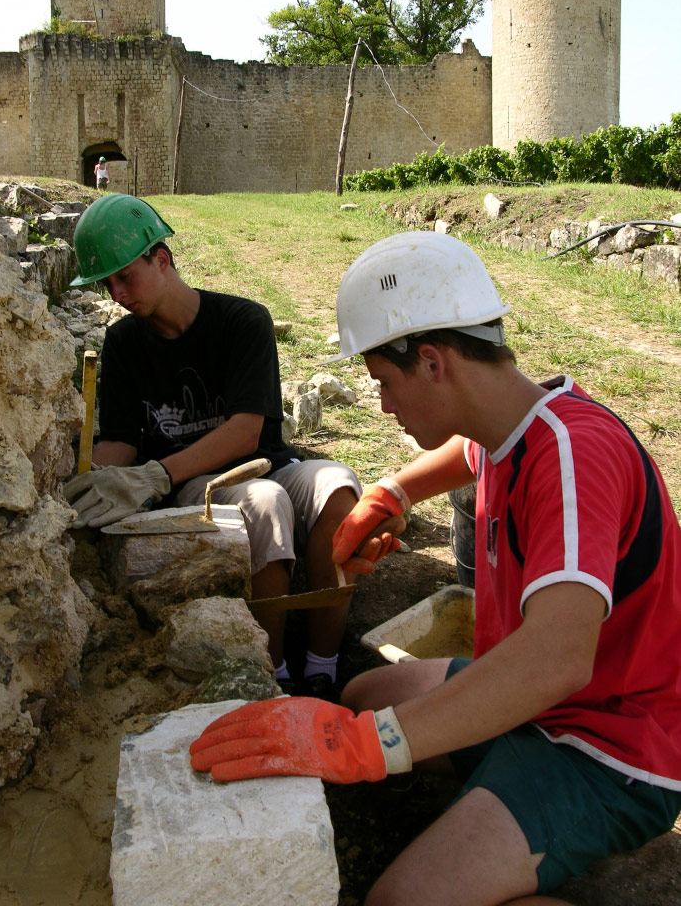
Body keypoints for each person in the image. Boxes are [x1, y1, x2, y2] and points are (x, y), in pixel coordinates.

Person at [190, 232, 681, 906]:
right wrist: (391, 494)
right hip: (538, 707)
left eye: (384, 384)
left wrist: (365, 748)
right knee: (361, 698)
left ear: (431, 362)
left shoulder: (572, 454)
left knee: (398, 900)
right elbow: (465, 457)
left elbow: (558, 659)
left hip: (605, 744)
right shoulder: (511, 428)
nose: (384, 404)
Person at [62, 194, 401, 700]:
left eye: (124, 276)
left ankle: (324, 667)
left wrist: (152, 474)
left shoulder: (243, 322)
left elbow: (246, 431)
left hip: (263, 460)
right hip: (193, 480)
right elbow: (119, 440)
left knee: (336, 486)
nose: (116, 293)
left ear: (162, 259)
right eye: (105, 283)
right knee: (265, 503)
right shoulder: (125, 342)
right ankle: (274, 671)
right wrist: (94, 478)